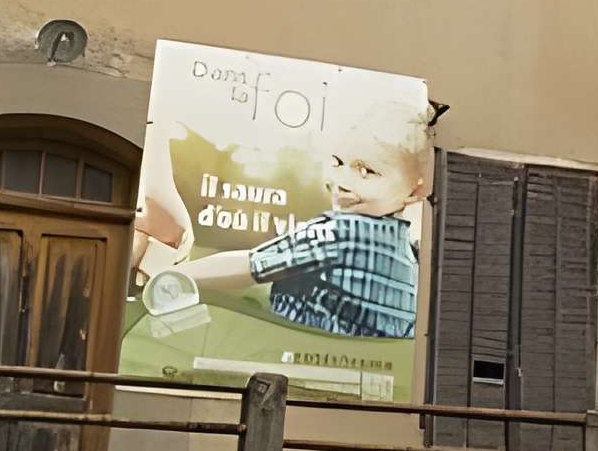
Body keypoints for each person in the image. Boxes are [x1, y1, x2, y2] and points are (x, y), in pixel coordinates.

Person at [177, 92, 431, 341]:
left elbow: (250, 265)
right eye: (337, 162)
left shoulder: (340, 233)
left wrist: (173, 276)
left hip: (285, 353)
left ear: (416, 191)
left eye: (366, 171)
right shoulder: (412, 263)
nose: (342, 182)